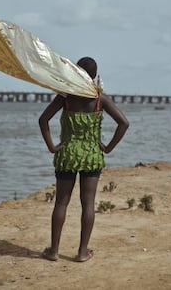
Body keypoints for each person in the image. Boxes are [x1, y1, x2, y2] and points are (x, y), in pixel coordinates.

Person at [38, 57, 129, 262]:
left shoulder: (66, 97)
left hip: (67, 154)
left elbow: (43, 120)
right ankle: (82, 252)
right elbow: (123, 123)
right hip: (91, 155)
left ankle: (53, 251)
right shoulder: (100, 100)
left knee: (61, 203)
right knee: (87, 204)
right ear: (95, 76)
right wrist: (108, 148)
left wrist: (52, 147)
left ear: (75, 73)